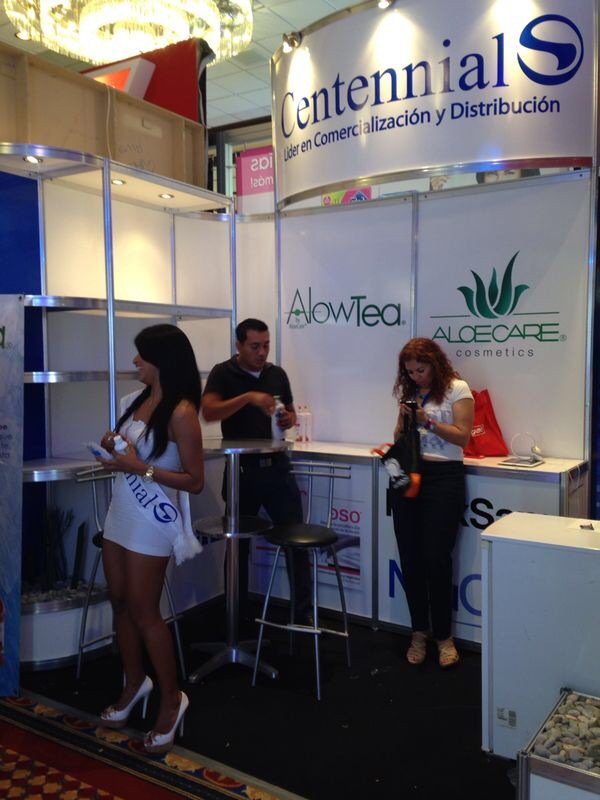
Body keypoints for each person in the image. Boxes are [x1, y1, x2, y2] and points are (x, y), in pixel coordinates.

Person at [96, 324, 204, 755]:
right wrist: (112, 450)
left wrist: (139, 467)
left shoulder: (182, 412)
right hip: (121, 512)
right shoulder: (135, 401)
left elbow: (194, 481)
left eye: (142, 354)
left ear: (162, 360)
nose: (135, 361)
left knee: (145, 611)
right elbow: (128, 457)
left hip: (151, 521)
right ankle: (134, 682)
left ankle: (172, 699)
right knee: (120, 602)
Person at [202, 318, 312, 622]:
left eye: (266, 345)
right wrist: (248, 397)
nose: (262, 352)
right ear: (239, 345)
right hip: (242, 473)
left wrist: (289, 418)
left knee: (296, 542)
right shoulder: (223, 373)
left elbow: (289, 411)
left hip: (277, 469)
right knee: (237, 545)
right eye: (255, 346)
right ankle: (235, 617)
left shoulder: (277, 374)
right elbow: (209, 411)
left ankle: (301, 616)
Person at [390, 337, 474, 668]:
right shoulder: (410, 392)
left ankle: (444, 637)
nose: (416, 377)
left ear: (435, 364)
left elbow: (463, 436)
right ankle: (418, 633)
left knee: (436, 558)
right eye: (410, 372)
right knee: (410, 558)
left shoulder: (457, 388)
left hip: (444, 477)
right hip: (409, 475)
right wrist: (403, 421)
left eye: (421, 370)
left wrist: (429, 421)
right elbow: (398, 438)